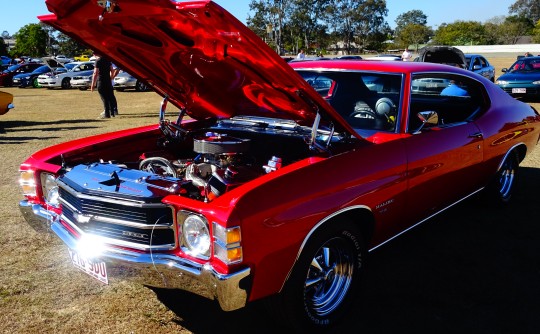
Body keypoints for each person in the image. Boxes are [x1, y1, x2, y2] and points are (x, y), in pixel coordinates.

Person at [91, 53, 119, 118]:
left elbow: (95, 73)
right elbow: (112, 70)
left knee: (104, 98)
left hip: (101, 81)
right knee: (110, 96)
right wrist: (111, 77)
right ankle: (112, 113)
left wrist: (93, 84)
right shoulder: (108, 60)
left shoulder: (98, 61)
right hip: (108, 81)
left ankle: (107, 114)